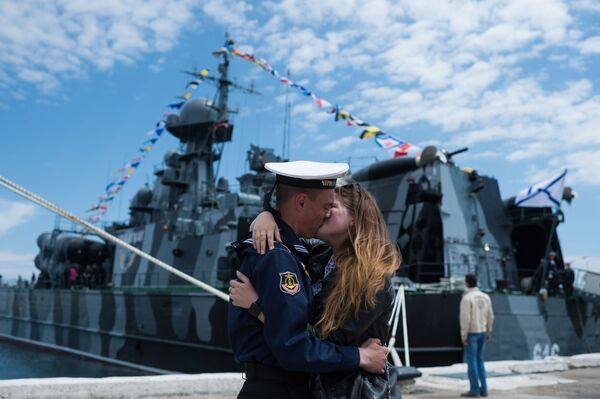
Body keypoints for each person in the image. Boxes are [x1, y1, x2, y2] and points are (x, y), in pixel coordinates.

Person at [227, 161, 389, 399]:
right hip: (285, 386)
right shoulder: (303, 256)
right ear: (302, 202)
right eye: (327, 205)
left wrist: (258, 308)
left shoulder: (373, 281)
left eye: (332, 207)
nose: (326, 212)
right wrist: (267, 215)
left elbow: (317, 338)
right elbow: (295, 342)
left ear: (355, 219)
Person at [460, 273, 494, 398]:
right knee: (480, 360)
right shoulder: (486, 297)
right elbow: (491, 315)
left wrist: (463, 335)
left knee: (472, 361)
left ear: (467, 283)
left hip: (471, 333)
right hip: (483, 332)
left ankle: (474, 390)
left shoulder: (467, 298)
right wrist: (489, 330)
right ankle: (484, 389)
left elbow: (465, 318)